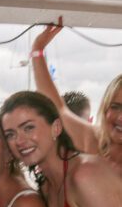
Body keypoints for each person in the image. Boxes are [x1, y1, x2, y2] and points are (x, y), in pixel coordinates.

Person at [0, 90, 122, 207]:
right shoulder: (47, 185)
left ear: (56, 128)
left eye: (29, 128)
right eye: (10, 134)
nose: (20, 141)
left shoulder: (85, 174)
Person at [31, 19, 122, 167]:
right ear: (105, 109)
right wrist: (37, 49)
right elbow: (56, 108)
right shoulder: (92, 140)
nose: (120, 117)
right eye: (115, 106)